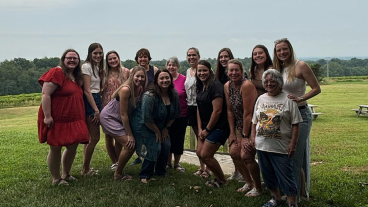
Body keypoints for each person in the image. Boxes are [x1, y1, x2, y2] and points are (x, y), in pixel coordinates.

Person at [273, 38, 321, 201]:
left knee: (295, 156)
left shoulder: (300, 66)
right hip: (284, 117)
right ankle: (295, 192)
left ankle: (295, 197)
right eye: (279, 50)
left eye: (284, 49)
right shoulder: (277, 69)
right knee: (287, 156)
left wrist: (301, 98)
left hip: (301, 115)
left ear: (290, 49)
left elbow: (316, 88)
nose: (282, 53)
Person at [251, 69, 302, 207]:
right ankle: (275, 199)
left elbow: (296, 124)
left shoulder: (288, 99)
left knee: (286, 176)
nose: (269, 83)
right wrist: (253, 137)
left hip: (281, 147)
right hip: (262, 146)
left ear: (279, 82)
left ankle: (292, 203)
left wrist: (293, 144)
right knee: (267, 175)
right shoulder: (260, 99)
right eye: (266, 81)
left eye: (272, 81)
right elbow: (255, 121)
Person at [37, 49, 89, 185]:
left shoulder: (75, 76)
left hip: (73, 118)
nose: (72, 60)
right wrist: (47, 116)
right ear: (63, 59)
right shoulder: (57, 72)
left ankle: (66, 174)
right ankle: (56, 178)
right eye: (69, 58)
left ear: (78, 61)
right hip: (57, 118)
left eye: (75, 58)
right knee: (55, 147)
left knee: (72, 146)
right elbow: (45, 94)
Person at [131, 69, 181, 183]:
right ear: (156, 81)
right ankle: (145, 173)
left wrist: (165, 129)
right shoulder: (149, 96)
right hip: (143, 125)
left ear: (171, 79)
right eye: (161, 78)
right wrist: (157, 132)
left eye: (167, 78)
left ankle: (161, 171)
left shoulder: (174, 93)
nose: (165, 80)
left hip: (161, 126)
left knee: (166, 145)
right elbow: (146, 118)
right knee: (155, 145)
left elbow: (175, 114)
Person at [224, 59, 263, 196]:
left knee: (246, 155)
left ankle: (258, 188)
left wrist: (246, 137)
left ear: (242, 71)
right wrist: (232, 133)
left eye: (236, 70)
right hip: (238, 125)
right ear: (227, 72)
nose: (233, 73)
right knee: (234, 153)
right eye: (231, 70)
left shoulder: (246, 85)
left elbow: (248, 113)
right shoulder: (227, 86)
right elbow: (229, 111)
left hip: (253, 124)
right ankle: (249, 182)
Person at [100, 66, 146, 180]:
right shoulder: (126, 89)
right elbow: (124, 114)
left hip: (119, 118)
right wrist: (129, 134)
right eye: (137, 76)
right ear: (132, 76)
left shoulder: (139, 89)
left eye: (142, 77)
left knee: (124, 144)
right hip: (110, 117)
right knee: (130, 145)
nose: (139, 79)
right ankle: (118, 173)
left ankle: (117, 165)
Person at [196, 60, 230, 187]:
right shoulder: (200, 85)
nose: (202, 73)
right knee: (200, 153)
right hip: (205, 126)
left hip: (219, 126)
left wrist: (208, 129)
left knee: (206, 154)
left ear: (210, 71)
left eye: (204, 70)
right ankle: (218, 177)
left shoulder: (215, 85)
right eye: (199, 70)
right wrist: (200, 128)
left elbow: (217, 110)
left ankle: (222, 180)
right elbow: (198, 108)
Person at [215, 48, 244, 183]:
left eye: (226, 56)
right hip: (225, 114)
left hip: (239, 115)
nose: (223, 59)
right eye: (221, 57)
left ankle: (243, 173)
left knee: (238, 147)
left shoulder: (240, 77)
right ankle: (237, 171)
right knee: (232, 144)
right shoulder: (219, 76)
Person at [130, 48, 159, 166]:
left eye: (145, 56)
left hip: (151, 104)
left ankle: (150, 155)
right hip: (137, 104)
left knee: (149, 129)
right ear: (137, 59)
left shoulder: (154, 70)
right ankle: (139, 156)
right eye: (140, 57)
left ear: (149, 58)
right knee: (138, 131)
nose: (143, 59)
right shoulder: (133, 70)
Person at [101, 51, 130, 170]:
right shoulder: (103, 73)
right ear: (107, 61)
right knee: (108, 136)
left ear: (118, 58)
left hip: (121, 105)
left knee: (119, 135)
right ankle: (113, 161)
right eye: (110, 59)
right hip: (107, 105)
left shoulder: (126, 72)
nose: (113, 61)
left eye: (114, 58)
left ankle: (118, 160)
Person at [185, 47, 210, 177]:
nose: (191, 57)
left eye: (194, 55)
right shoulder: (188, 71)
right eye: (189, 55)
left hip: (202, 106)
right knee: (198, 135)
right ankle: (202, 167)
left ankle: (208, 167)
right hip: (191, 107)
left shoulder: (203, 71)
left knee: (204, 137)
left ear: (198, 56)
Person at [81, 43, 104, 175]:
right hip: (91, 101)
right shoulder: (86, 67)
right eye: (95, 53)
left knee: (90, 138)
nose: (98, 55)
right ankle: (85, 169)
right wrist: (96, 110)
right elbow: (87, 91)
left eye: (100, 53)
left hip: (96, 98)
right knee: (95, 138)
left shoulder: (95, 67)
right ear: (90, 53)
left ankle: (86, 168)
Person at [166, 56, 187, 172]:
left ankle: (177, 164)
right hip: (167, 115)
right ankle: (168, 163)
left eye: (173, 65)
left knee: (178, 139)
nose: (171, 67)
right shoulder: (164, 79)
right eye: (169, 65)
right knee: (168, 138)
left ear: (178, 67)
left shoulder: (184, 79)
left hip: (181, 114)